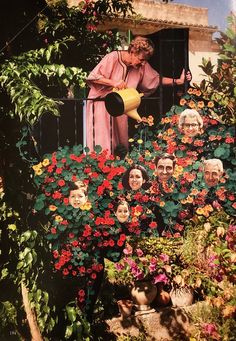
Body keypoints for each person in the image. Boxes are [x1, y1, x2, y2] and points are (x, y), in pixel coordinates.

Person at [86, 36, 192, 153]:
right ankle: (98, 167)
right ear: (132, 52)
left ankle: (118, 168)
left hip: (121, 106)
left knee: (120, 144)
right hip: (102, 104)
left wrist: (178, 81)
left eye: (145, 60)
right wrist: (113, 82)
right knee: (102, 141)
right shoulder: (113, 57)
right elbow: (93, 77)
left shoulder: (141, 65)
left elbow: (155, 79)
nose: (143, 63)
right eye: (141, 59)